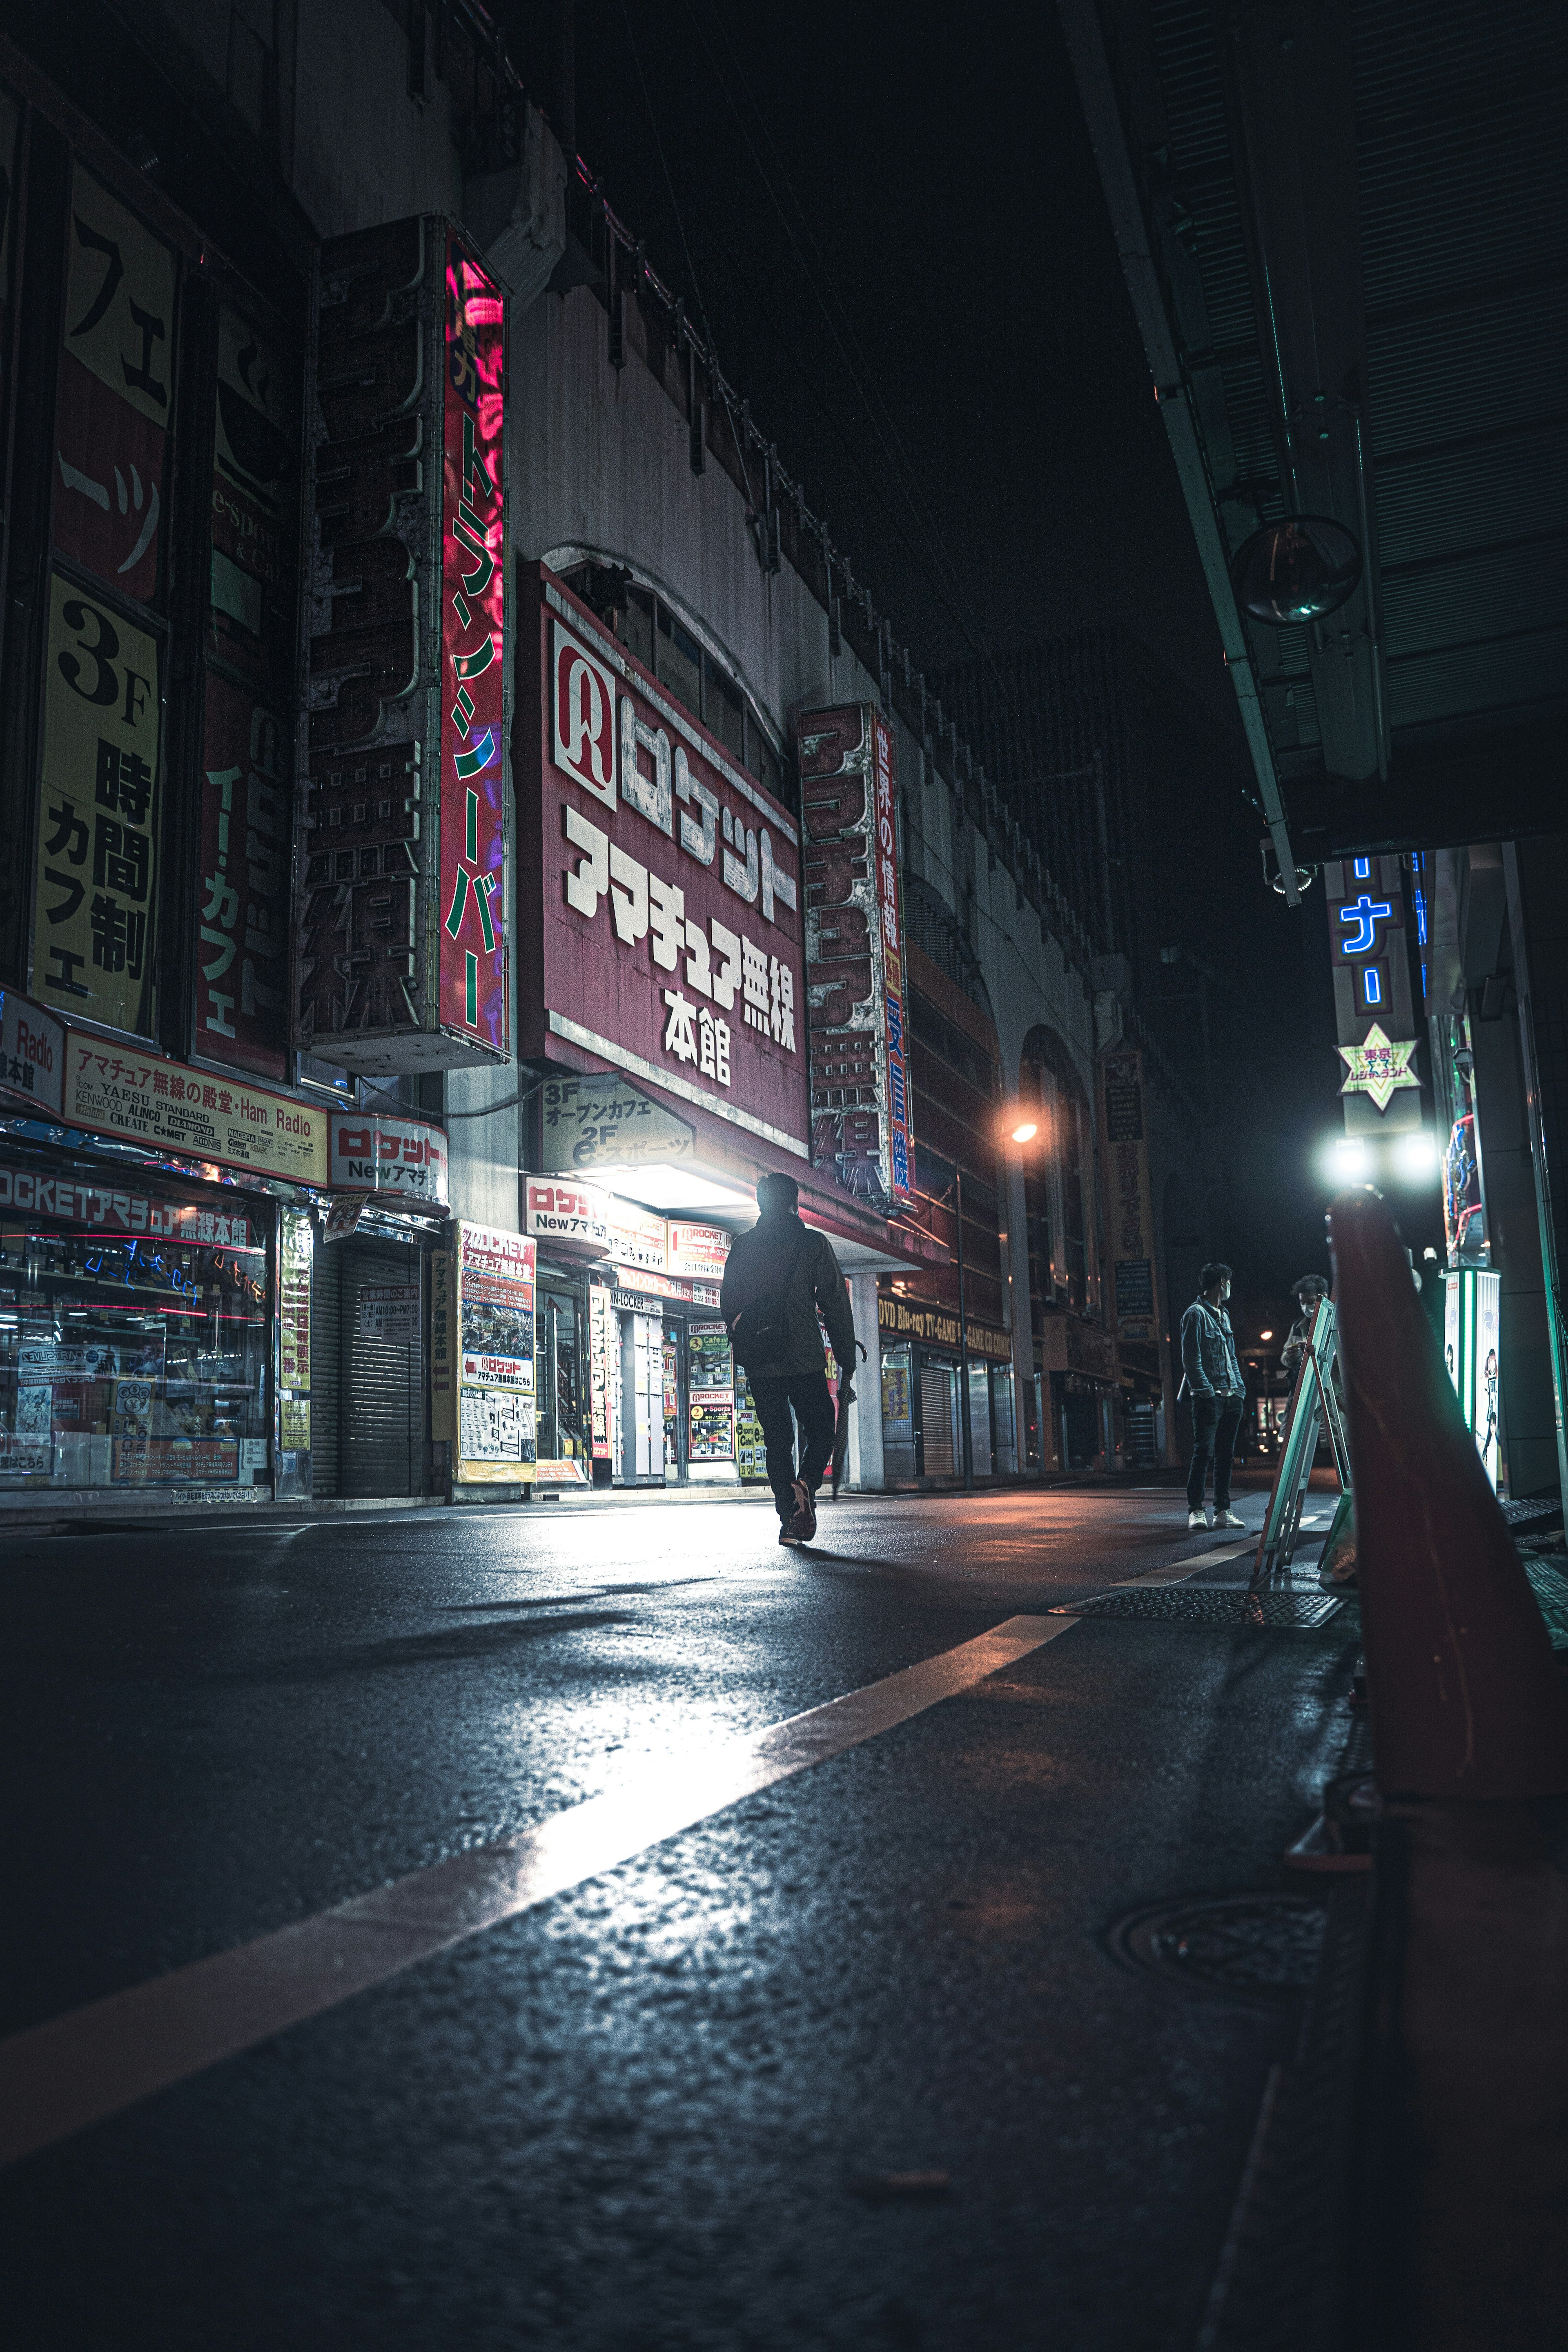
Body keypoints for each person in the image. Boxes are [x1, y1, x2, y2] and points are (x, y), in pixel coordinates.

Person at [721, 1172, 856, 1544]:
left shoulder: (743, 1246)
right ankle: (807, 1486)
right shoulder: (812, 1243)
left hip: (761, 1361)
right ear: (794, 1203)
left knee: (777, 1440)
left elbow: (728, 1303)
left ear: (761, 1204)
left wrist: (746, 1340)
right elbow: (834, 1303)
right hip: (803, 1358)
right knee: (822, 1430)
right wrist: (846, 1354)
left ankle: (789, 1518)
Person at [1180, 1260, 1247, 1531]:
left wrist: (1240, 1389)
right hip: (1208, 1398)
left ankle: (1223, 1510)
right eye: (1229, 1282)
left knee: (1225, 1456)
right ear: (1222, 1282)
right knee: (1203, 1453)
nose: (1230, 1287)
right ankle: (1196, 1510)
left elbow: (1232, 1357)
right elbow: (1191, 1359)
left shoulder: (1224, 1315)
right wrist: (1206, 1392)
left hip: (1232, 1397)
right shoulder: (1195, 1315)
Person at [1280, 1273, 1330, 1381]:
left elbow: (1343, 1359)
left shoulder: (1336, 1323)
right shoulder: (1298, 1327)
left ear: (1324, 1297)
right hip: (1306, 1386)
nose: (1306, 1307)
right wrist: (1291, 1356)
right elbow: (1284, 1356)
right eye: (1303, 1303)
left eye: (1311, 1302)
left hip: (1332, 1385)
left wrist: (1314, 1351)